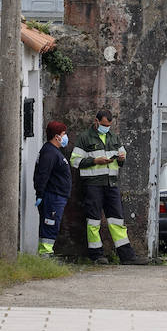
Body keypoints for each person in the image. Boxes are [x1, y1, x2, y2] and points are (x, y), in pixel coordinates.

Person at [70, 108, 149, 265]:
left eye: (109, 125)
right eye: (104, 124)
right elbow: (75, 161)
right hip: (93, 185)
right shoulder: (85, 138)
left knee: (117, 220)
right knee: (93, 221)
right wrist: (95, 161)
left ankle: (127, 256)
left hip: (111, 184)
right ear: (96, 121)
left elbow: (122, 160)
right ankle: (97, 256)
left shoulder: (114, 137)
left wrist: (121, 158)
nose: (107, 128)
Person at [32, 120, 71, 257]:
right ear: (57, 136)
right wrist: (40, 194)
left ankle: (46, 253)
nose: (65, 137)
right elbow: (43, 174)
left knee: (52, 224)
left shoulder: (53, 151)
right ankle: (45, 255)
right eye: (63, 134)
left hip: (57, 196)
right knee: (49, 224)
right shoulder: (49, 152)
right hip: (52, 196)